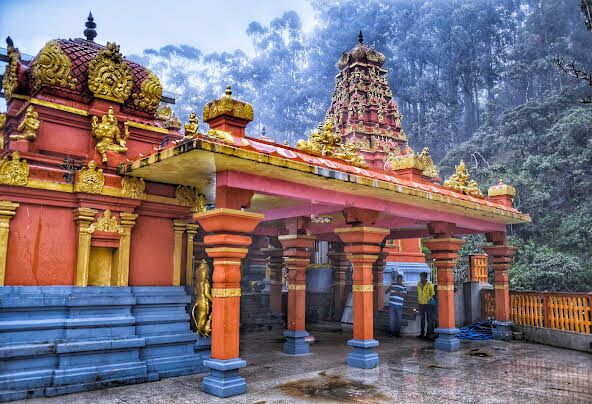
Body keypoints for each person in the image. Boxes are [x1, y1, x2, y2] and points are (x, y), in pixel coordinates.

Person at [385, 273, 406, 337]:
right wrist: (389, 288)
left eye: (400, 279)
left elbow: (404, 295)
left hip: (399, 305)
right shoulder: (392, 285)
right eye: (398, 279)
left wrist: (397, 291)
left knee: (399, 319)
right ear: (396, 279)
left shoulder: (404, 287)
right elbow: (386, 292)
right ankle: (391, 332)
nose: (399, 280)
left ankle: (397, 333)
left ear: (402, 280)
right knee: (391, 319)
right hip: (391, 304)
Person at [417, 272, 435, 339]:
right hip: (421, 304)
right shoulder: (418, 284)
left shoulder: (430, 284)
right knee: (422, 319)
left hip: (428, 304)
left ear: (425, 277)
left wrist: (429, 300)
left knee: (429, 320)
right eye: (421, 277)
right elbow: (418, 293)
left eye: (422, 277)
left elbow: (432, 294)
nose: (421, 278)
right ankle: (422, 334)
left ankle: (428, 334)